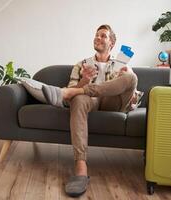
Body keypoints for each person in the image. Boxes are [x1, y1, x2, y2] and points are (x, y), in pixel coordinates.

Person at [41, 24, 142, 197]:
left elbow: (132, 92)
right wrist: (83, 81)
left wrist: (125, 79)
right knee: (78, 97)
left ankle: (82, 91)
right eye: (96, 35)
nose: (98, 38)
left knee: (132, 77)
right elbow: (71, 95)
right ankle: (80, 167)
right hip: (92, 101)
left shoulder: (120, 64)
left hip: (113, 102)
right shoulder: (82, 65)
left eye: (103, 36)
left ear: (112, 42)